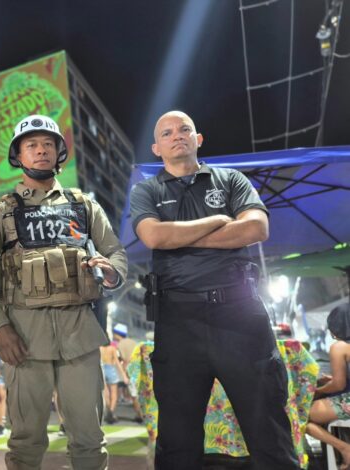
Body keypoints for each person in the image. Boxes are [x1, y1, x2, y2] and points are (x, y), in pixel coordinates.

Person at [129, 110, 300, 469]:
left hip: (240, 315)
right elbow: (155, 236)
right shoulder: (147, 189)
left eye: (185, 129)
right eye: (167, 133)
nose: (177, 135)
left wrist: (183, 238)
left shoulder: (231, 179)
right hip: (178, 321)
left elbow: (256, 229)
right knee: (177, 440)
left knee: (268, 429)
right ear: (156, 148)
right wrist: (219, 221)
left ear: (198, 138)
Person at [0, 114, 128, 469]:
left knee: (89, 438)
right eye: (32, 145)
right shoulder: (1, 212)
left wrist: (112, 273)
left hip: (80, 332)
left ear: (59, 153)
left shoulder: (84, 205)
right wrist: (0, 328)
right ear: (18, 156)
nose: (41, 151)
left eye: (48, 144)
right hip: (23, 336)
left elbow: (115, 251)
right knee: (26, 441)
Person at [305, 304, 350, 468]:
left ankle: (345, 449)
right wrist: (331, 378)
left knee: (303, 417)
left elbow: (339, 385)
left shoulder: (339, 347)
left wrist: (317, 391)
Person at [111, 323, 143, 423]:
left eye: (114, 333)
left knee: (134, 395)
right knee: (138, 393)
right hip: (139, 368)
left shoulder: (120, 344)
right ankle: (140, 415)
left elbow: (125, 361)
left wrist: (124, 374)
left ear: (117, 334)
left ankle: (141, 416)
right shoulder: (133, 342)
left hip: (131, 370)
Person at [99, 342, 127, 424]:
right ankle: (111, 412)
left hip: (102, 370)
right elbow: (117, 362)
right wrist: (124, 375)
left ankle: (108, 412)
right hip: (111, 370)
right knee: (114, 394)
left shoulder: (99, 348)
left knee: (106, 394)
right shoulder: (112, 349)